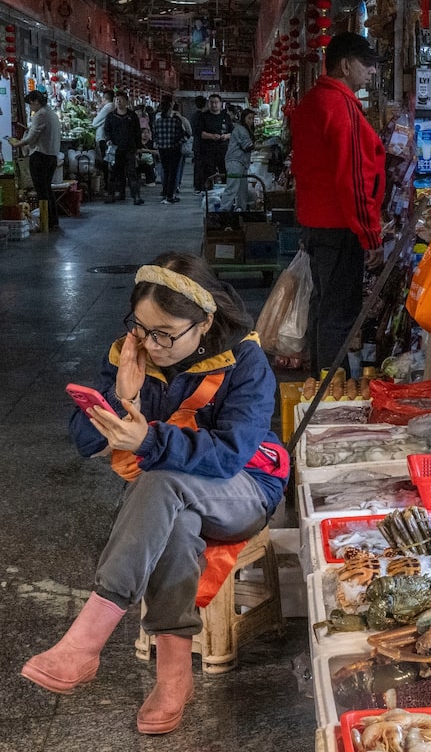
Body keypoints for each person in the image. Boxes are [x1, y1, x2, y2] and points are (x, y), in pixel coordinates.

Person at [20, 251, 289, 736]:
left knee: (160, 478)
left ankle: (86, 638)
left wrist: (146, 438)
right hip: (172, 501)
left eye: (165, 333)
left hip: (244, 489)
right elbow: (84, 441)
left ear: (204, 323)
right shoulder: (131, 350)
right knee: (176, 520)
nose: (150, 343)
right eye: (141, 328)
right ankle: (174, 677)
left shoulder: (246, 360)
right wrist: (125, 399)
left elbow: (229, 455)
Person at [290, 32, 386, 378]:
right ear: (345, 65)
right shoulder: (339, 106)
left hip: (319, 224)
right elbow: (355, 180)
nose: (372, 71)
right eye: (367, 64)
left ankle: (322, 381)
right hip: (339, 225)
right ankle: (332, 389)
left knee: (324, 307)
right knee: (338, 314)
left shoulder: (315, 101)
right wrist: (370, 236)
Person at [10, 90, 62, 230]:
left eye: (30, 104)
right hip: (51, 156)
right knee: (47, 189)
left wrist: (17, 143)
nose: (30, 107)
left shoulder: (41, 114)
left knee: (42, 191)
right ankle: (53, 221)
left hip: (40, 156)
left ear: (35, 101)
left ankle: (46, 223)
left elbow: (31, 138)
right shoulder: (51, 113)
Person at [104, 90, 144, 205]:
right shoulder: (111, 116)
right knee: (114, 173)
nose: (118, 102)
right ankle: (113, 194)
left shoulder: (132, 116)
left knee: (131, 173)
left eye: (121, 100)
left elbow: (137, 132)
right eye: (117, 100)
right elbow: (107, 130)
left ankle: (136, 196)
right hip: (115, 149)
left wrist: (139, 147)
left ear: (126, 102)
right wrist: (108, 140)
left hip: (129, 149)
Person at [220, 108, 255, 212]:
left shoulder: (245, 130)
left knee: (242, 189)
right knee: (232, 187)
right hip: (235, 162)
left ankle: (240, 209)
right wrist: (264, 145)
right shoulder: (240, 129)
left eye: (253, 118)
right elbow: (247, 146)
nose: (251, 121)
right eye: (249, 118)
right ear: (243, 118)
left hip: (242, 163)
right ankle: (224, 211)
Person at [153, 95, 185, 204]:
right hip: (174, 150)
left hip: (162, 150)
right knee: (173, 173)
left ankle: (165, 193)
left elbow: (155, 136)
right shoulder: (175, 121)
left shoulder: (157, 122)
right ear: (170, 108)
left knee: (166, 172)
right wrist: (178, 144)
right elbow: (183, 135)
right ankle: (170, 195)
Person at [199, 93, 233, 182]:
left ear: (220, 103)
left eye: (216, 102)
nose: (214, 104)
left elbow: (232, 133)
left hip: (223, 150)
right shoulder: (203, 116)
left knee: (225, 172)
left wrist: (226, 136)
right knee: (209, 173)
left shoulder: (226, 116)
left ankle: (226, 192)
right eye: (212, 102)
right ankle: (209, 192)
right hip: (208, 150)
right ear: (208, 103)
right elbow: (199, 133)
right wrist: (211, 136)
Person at [172, 101, 193, 193]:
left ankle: (171, 185)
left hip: (168, 146)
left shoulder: (164, 118)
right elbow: (190, 132)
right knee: (179, 167)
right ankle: (177, 185)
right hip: (181, 146)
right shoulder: (183, 119)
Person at [191, 95, 208, 195]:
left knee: (197, 166)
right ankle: (202, 185)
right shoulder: (203, 116)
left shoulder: (194, 116)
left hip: (196, 144)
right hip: (204, 144)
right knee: (203, 166)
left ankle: (197, 186)